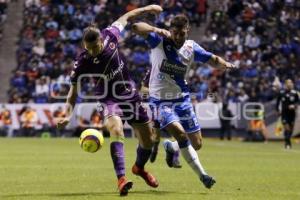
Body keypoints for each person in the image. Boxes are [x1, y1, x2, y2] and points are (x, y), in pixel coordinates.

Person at [57, 5, 163, 196]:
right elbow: (73, 91)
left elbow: (128, 16)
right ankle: (121, 178)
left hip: (129, 92)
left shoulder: (110, 35)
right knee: (116, 129)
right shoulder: (82, 62)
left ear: (101, 40)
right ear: (84, 45)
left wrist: (149, 8)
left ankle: (139, 168)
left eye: (95, 47)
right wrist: (67, 114)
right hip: (107, 96)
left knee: (148, 140)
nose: (93, 51)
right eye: (88, 49)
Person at [132, 14, 236, 188]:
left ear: (187, 31)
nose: (178, 37)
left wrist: (224, 64)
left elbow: (213, 59)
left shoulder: (191, 47)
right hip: (160, 102)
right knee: (179, 133)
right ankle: (203, 176)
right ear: (170, 31)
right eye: (175, 33)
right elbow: (136, 27)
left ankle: (171, 147)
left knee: (197, 143)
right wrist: (156, 29)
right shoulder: (159, 41)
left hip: (182, 101)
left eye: (182, 33)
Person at [141, 69, 182, 168]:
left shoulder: (175, 68)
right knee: (156, 134)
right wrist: (156, 90)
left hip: (172, 103)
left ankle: (175, 158)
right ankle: (155, 148)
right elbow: (143, 88)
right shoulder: (152, 70)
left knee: (177, 130)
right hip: (157, 103)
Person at [276, 79, 299, 149]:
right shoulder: (281, 92)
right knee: (287, 128)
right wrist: (277, 110)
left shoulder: (295, 93)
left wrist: (294, 106)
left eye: (291, 82)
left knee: (290, 130)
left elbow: (298, 102)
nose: (290, 84)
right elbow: (277, 103)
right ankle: (287, 144)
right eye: (288, 83)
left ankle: (287, 141)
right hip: (284, 113)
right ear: (285, 84)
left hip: (292, 113)